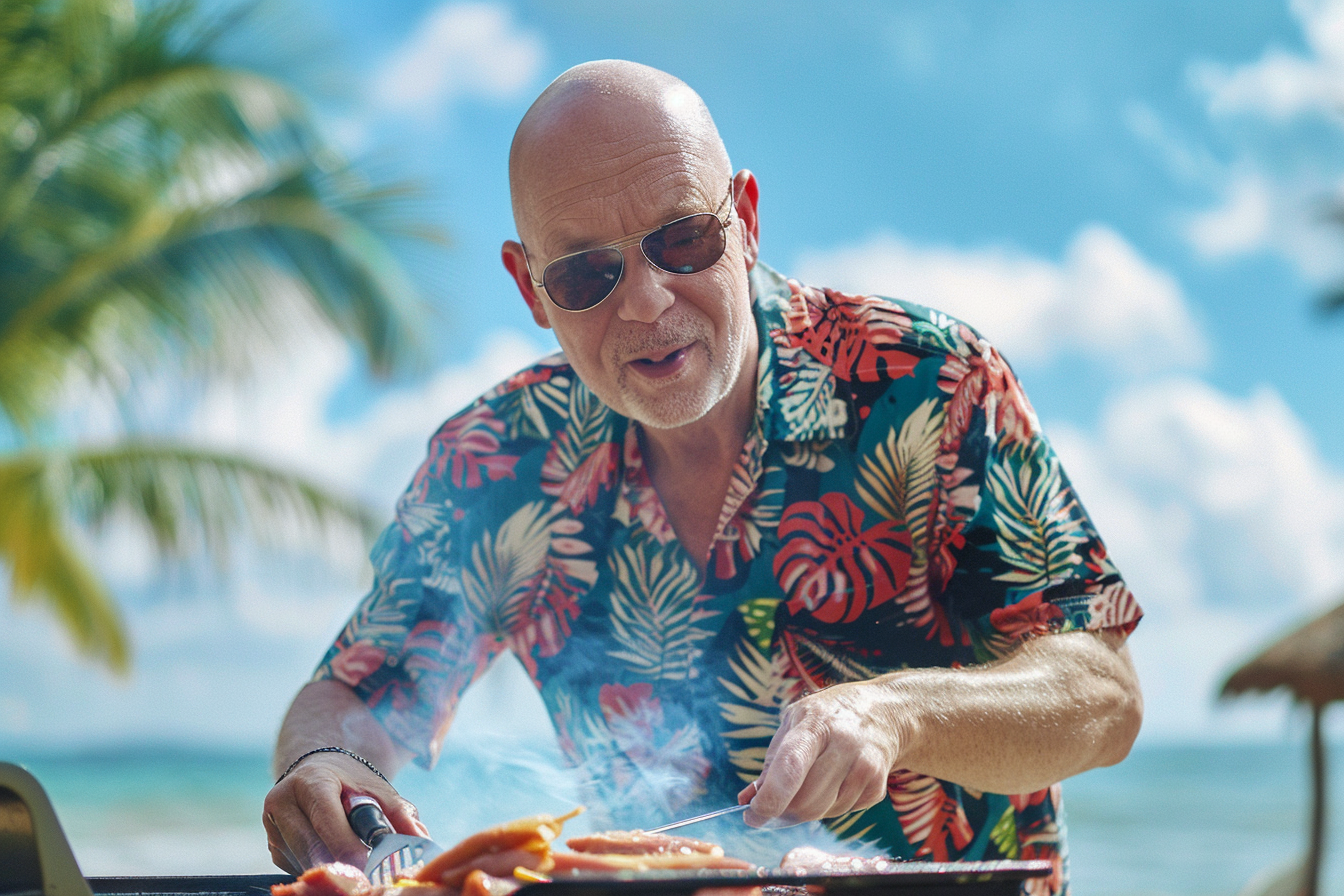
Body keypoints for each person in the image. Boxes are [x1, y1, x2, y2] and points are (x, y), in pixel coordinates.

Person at [262, 60, 1143, 894]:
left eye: (682, 239)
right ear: (530, 290)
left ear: (746, 219)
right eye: (586, 273)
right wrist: (328, 767)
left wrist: (897, 714)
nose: (645, 300)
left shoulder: (929, 383)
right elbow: (359, 694)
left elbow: (1104, 698)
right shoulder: (499, 455)